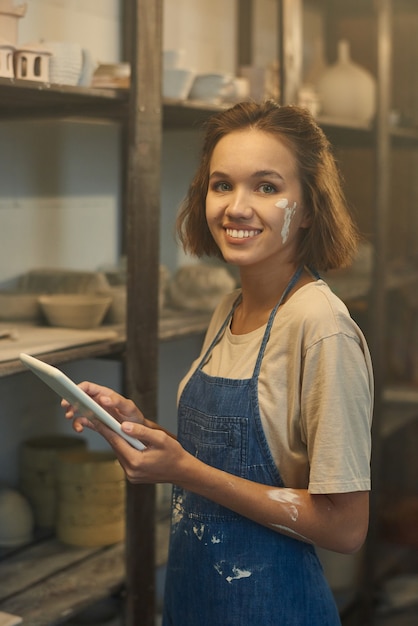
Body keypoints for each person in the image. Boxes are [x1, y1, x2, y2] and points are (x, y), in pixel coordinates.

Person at [63, 100, 373, 626]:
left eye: (268, 187)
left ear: (312, 207)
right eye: (222, 184)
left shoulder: (321, 327)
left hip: (272, 609)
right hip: (195, 599)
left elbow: (345, 528)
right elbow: (217, 463)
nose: (236, 207)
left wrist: (187, 473)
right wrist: (141, 429)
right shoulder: (227, 308)